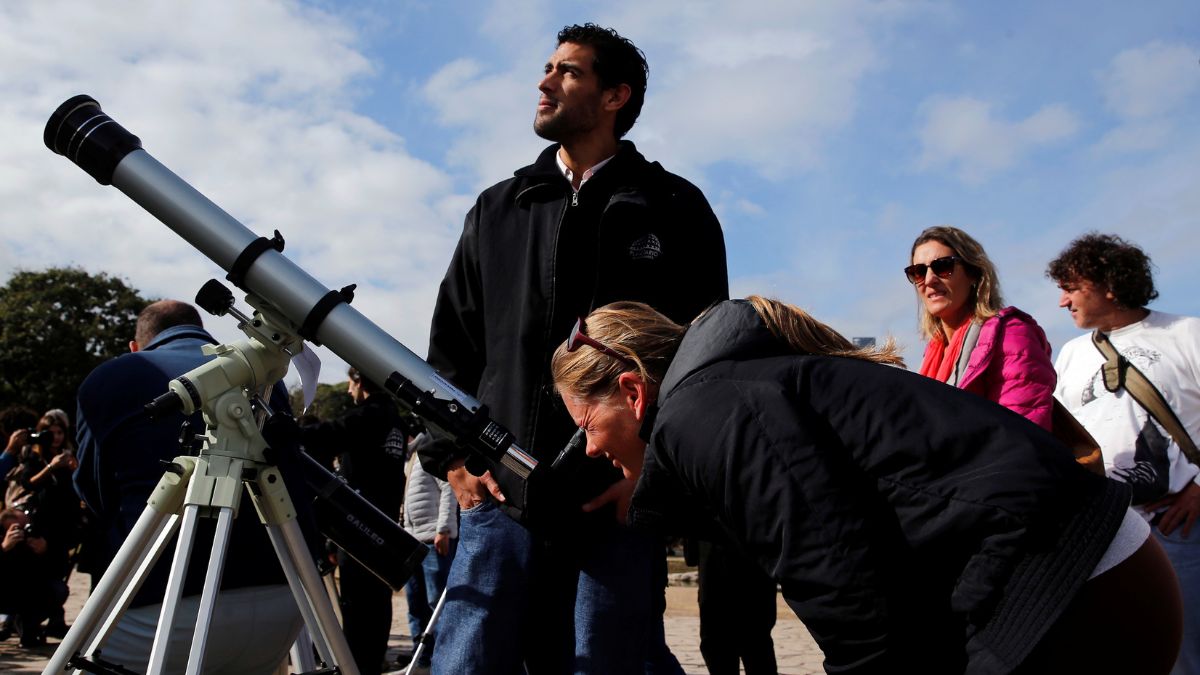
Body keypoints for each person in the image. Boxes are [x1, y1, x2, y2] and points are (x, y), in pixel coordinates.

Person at [551, 296, 1183, 674]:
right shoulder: (730, 394)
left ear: (634, 393)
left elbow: (846, 588)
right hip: (1091, 568)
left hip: (1072, 589)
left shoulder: (704, 416)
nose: (592, 447)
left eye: (585, 424)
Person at [421, 22, 728, 674]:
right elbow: (452, 347)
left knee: (608, 663)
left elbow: (706, 361)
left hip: (616, 500)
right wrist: (451, 459)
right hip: (498, 499)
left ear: (616, 95)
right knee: (469, 664)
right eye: (548, 68)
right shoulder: (497, 209)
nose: (543, 82)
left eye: (567, 71)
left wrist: (656, 471)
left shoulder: (675, 208)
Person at [75, 299, 302, 674]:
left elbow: (95, 494)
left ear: (136, 346)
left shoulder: (110, 378)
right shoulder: (263, 379)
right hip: (284, 603)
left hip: (153, 607)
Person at [1047, 232, 1200, 674]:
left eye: (1071, 287)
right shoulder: (1072, 355)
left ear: (1109, 283)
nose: (1062, 301)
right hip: (1108, 532)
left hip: (1180, 529)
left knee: (1186, 655)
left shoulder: (1186, 334)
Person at [299, 367, 408, 675]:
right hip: (384, 530)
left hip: (359, 531)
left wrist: (283, 431)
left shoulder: (371, 415)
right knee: (377, 611)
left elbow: (328, 436)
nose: (348, 391)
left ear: (360, 380)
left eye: (350, 383)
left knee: (359, 613)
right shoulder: (395, 420)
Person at [908, 226, 1056, 429]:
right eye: (918, 272)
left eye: (943, 266)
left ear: (974, 274)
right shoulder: (934, 352)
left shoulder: (1011, 334)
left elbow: (1022, 433)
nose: (929, 280)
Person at [399, 427, 457, 670]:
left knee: (437, 602)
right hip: (413, 540)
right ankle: (420, 654)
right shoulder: (411, 458)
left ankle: (446, 658)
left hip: (433, 538)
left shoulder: (427, 453)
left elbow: (448, 488)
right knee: (415, 602)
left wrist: (443, 529)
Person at [0, 508, 65, 647]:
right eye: (17, 528)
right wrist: (4, 548)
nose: (22, 531)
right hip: (4, 590)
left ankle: (28, 633)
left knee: (56, 589)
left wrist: (45, 551)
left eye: (26, 525)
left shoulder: (38, 536)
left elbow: (61, 569)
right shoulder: (3, 541)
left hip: (32, 589)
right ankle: (11, 624)